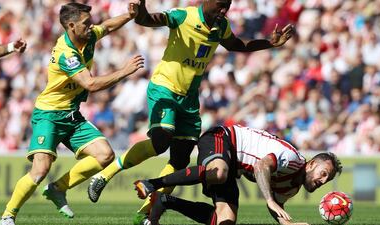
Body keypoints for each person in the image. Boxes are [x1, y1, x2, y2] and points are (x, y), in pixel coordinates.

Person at [88, 0, 295, 223]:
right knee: (161, 141)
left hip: (189, 99)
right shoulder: (183, 16)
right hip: (165, 88)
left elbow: (237, 46)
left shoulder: (221, 26)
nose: (223, 10)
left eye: (227, 5)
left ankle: (148, 210)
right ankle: (104, 174)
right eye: (220, 4)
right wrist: (141, 8)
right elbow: (147, 20)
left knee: (180, 159)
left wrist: (269, 44)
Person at [0, 2, 144, 225]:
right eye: (86, 23)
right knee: (40, 170)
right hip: (49, 115)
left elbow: (107, 26)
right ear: (71, 26)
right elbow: (91, 84)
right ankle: (8, 216)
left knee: (105, 155)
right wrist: (124, 71)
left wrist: (130, 15)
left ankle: (58, 189)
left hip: (71, 114)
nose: (91, 25)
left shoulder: (87, 36)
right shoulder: (66, 54)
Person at [134, 125, 343, 225]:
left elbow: (277, 208)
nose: (323, 181)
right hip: (223, 138)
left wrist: (288, 224)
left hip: (233, 167)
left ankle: (164, 200)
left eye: (328, 179)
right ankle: (152, 184)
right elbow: (262, 167)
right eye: (323, 173)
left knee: (224, 222)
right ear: (311, 164)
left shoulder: (292, 187)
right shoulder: (292, 158)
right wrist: (269, 200)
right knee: (219, 172)